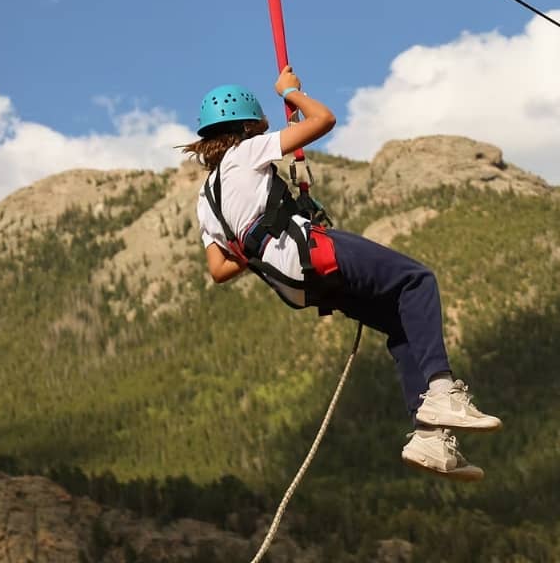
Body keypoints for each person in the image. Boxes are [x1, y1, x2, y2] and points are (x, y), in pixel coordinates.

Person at [181, 66, 502, 481]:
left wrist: (260, 237)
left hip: (292, 285)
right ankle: (440, 391)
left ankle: (429, 437)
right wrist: (291, 92)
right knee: (416, 280)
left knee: (400, 321)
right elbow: (324, 120)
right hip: (310, 256)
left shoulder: (206, 201)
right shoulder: (247, 152)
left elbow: (219, 270)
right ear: (247, 127)